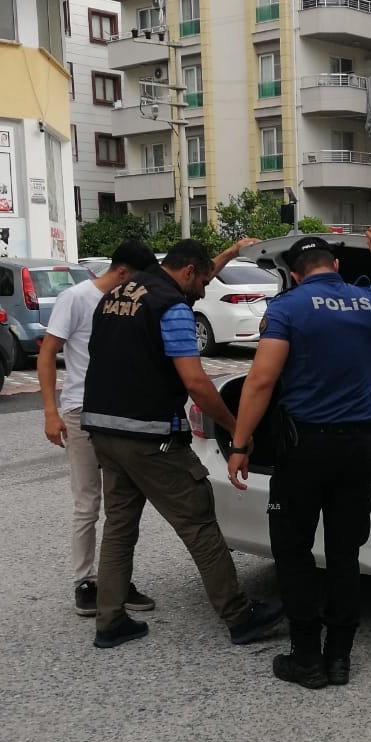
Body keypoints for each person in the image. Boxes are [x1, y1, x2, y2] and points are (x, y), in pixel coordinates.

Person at [227, 224, 371, 689]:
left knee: (293, 552)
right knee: (345, 553)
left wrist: (241, 444)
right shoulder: (370, 303)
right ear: (338, 267)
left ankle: (306, 658)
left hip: (304, 448)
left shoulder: (286, 309)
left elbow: (261, 382)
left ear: (293, 273)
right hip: (357, 448)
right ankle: (340, 659)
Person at [82, 238, 283, 651]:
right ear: (188, 272)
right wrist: (232, 426)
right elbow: (195, 381)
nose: (206, 289)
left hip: (104, 429)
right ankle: (239, 615)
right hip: (150, 435)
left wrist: (227, 253)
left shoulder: (116, 295)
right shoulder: (169, 306)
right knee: (199, 521)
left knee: (119, 526)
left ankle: (110, 620)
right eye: (206, 280)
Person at [38, 237, 158, 618]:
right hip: (80, 411)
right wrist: (50, 412)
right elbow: (46, 354)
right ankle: (85, 582)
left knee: (123, 505)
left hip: (119, 413)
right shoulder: (76, 298)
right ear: (122, 272)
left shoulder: (129, 300)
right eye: (137, 279)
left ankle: (116, 580)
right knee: (88, 502)